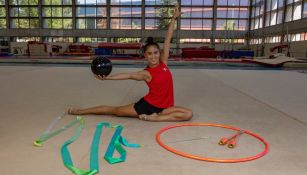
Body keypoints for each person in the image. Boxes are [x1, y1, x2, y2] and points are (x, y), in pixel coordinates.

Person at [68, 4, 193, 122]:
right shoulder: (146, 73)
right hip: (147, 106)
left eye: (155, 52)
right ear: (145, 56)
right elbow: (128, 75)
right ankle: (81, 111)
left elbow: (168, 39)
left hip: (165, 108)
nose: (153, 56)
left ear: (159, 53)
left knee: (188, 114)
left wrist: (174, 18)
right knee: (115, 110)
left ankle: (155, 118)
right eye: (150, 54)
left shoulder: (164, 63)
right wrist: (108, 78)